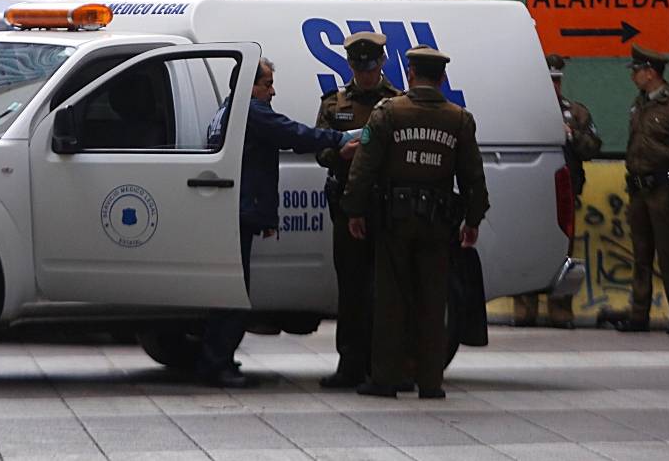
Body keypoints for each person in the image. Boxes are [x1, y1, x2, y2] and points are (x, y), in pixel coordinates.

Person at [341, 45, 489, 399]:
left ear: (410, 75)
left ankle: (385, 379)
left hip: (394, 220)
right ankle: (431, 382)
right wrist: (473, 218)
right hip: (438, 223)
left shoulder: (388, 112)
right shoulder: (459, 119)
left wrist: (354, 209)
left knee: (391, 300)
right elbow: (473, 176)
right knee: (432, 301)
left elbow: (364, 167)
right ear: (441, 79)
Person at [198, 57, 350, 388]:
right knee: (233, 294)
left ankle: (217, 358)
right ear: (248, 87)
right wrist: (338, 139)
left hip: (233, 212)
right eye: (267, 84)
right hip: (238, 212)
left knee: (229, 291)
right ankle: (217, 363)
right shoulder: (250, 111)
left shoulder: (227, 110)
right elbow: (291, 133)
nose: (272, 91)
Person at [314, 32, 400, 388]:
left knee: (384, 287)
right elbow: (320, 150)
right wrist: (340, 153)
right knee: (349, 286)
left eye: (371, 65)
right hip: (346, 203)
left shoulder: (397, 103)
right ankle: (349, 364)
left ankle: (380, 364)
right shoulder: (334, 102)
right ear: (350, 66)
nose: (365, 73)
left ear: (382, 63)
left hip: (384, 203)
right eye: (358, 67)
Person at [513, 54, 601, 329]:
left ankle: (561, 311)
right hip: (530, 194)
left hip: (563, 195)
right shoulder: (523, 111)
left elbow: (593, 146)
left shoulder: (576, 113)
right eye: (547, 80)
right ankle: (525, 311)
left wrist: (571, 133)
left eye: (556, 81)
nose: (552, 86)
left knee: (563, 253)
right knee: (527, 249)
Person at [617, 45, 669, 335]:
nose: (633, 76)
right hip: (638, 189)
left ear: (651, 72)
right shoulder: (639, 105)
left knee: (668, 254)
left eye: (636, 71)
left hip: (662, 190)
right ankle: (639, 315)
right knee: (640, 254)